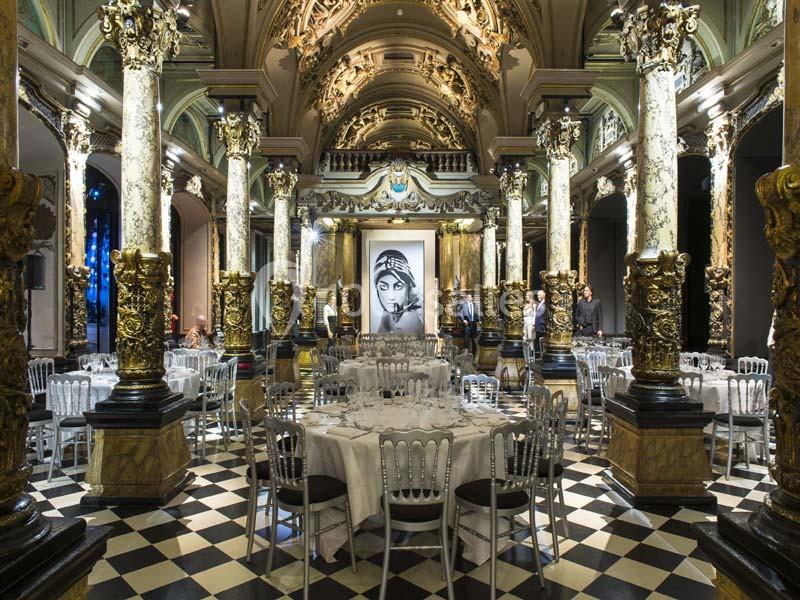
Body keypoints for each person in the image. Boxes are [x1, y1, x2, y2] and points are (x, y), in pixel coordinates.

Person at [374, 249, 424, 338]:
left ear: (408, 287)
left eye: (398, 286)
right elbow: (377, 343)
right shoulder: (389, 311)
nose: (391, 297)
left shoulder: (408, 317)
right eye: (383, 287)